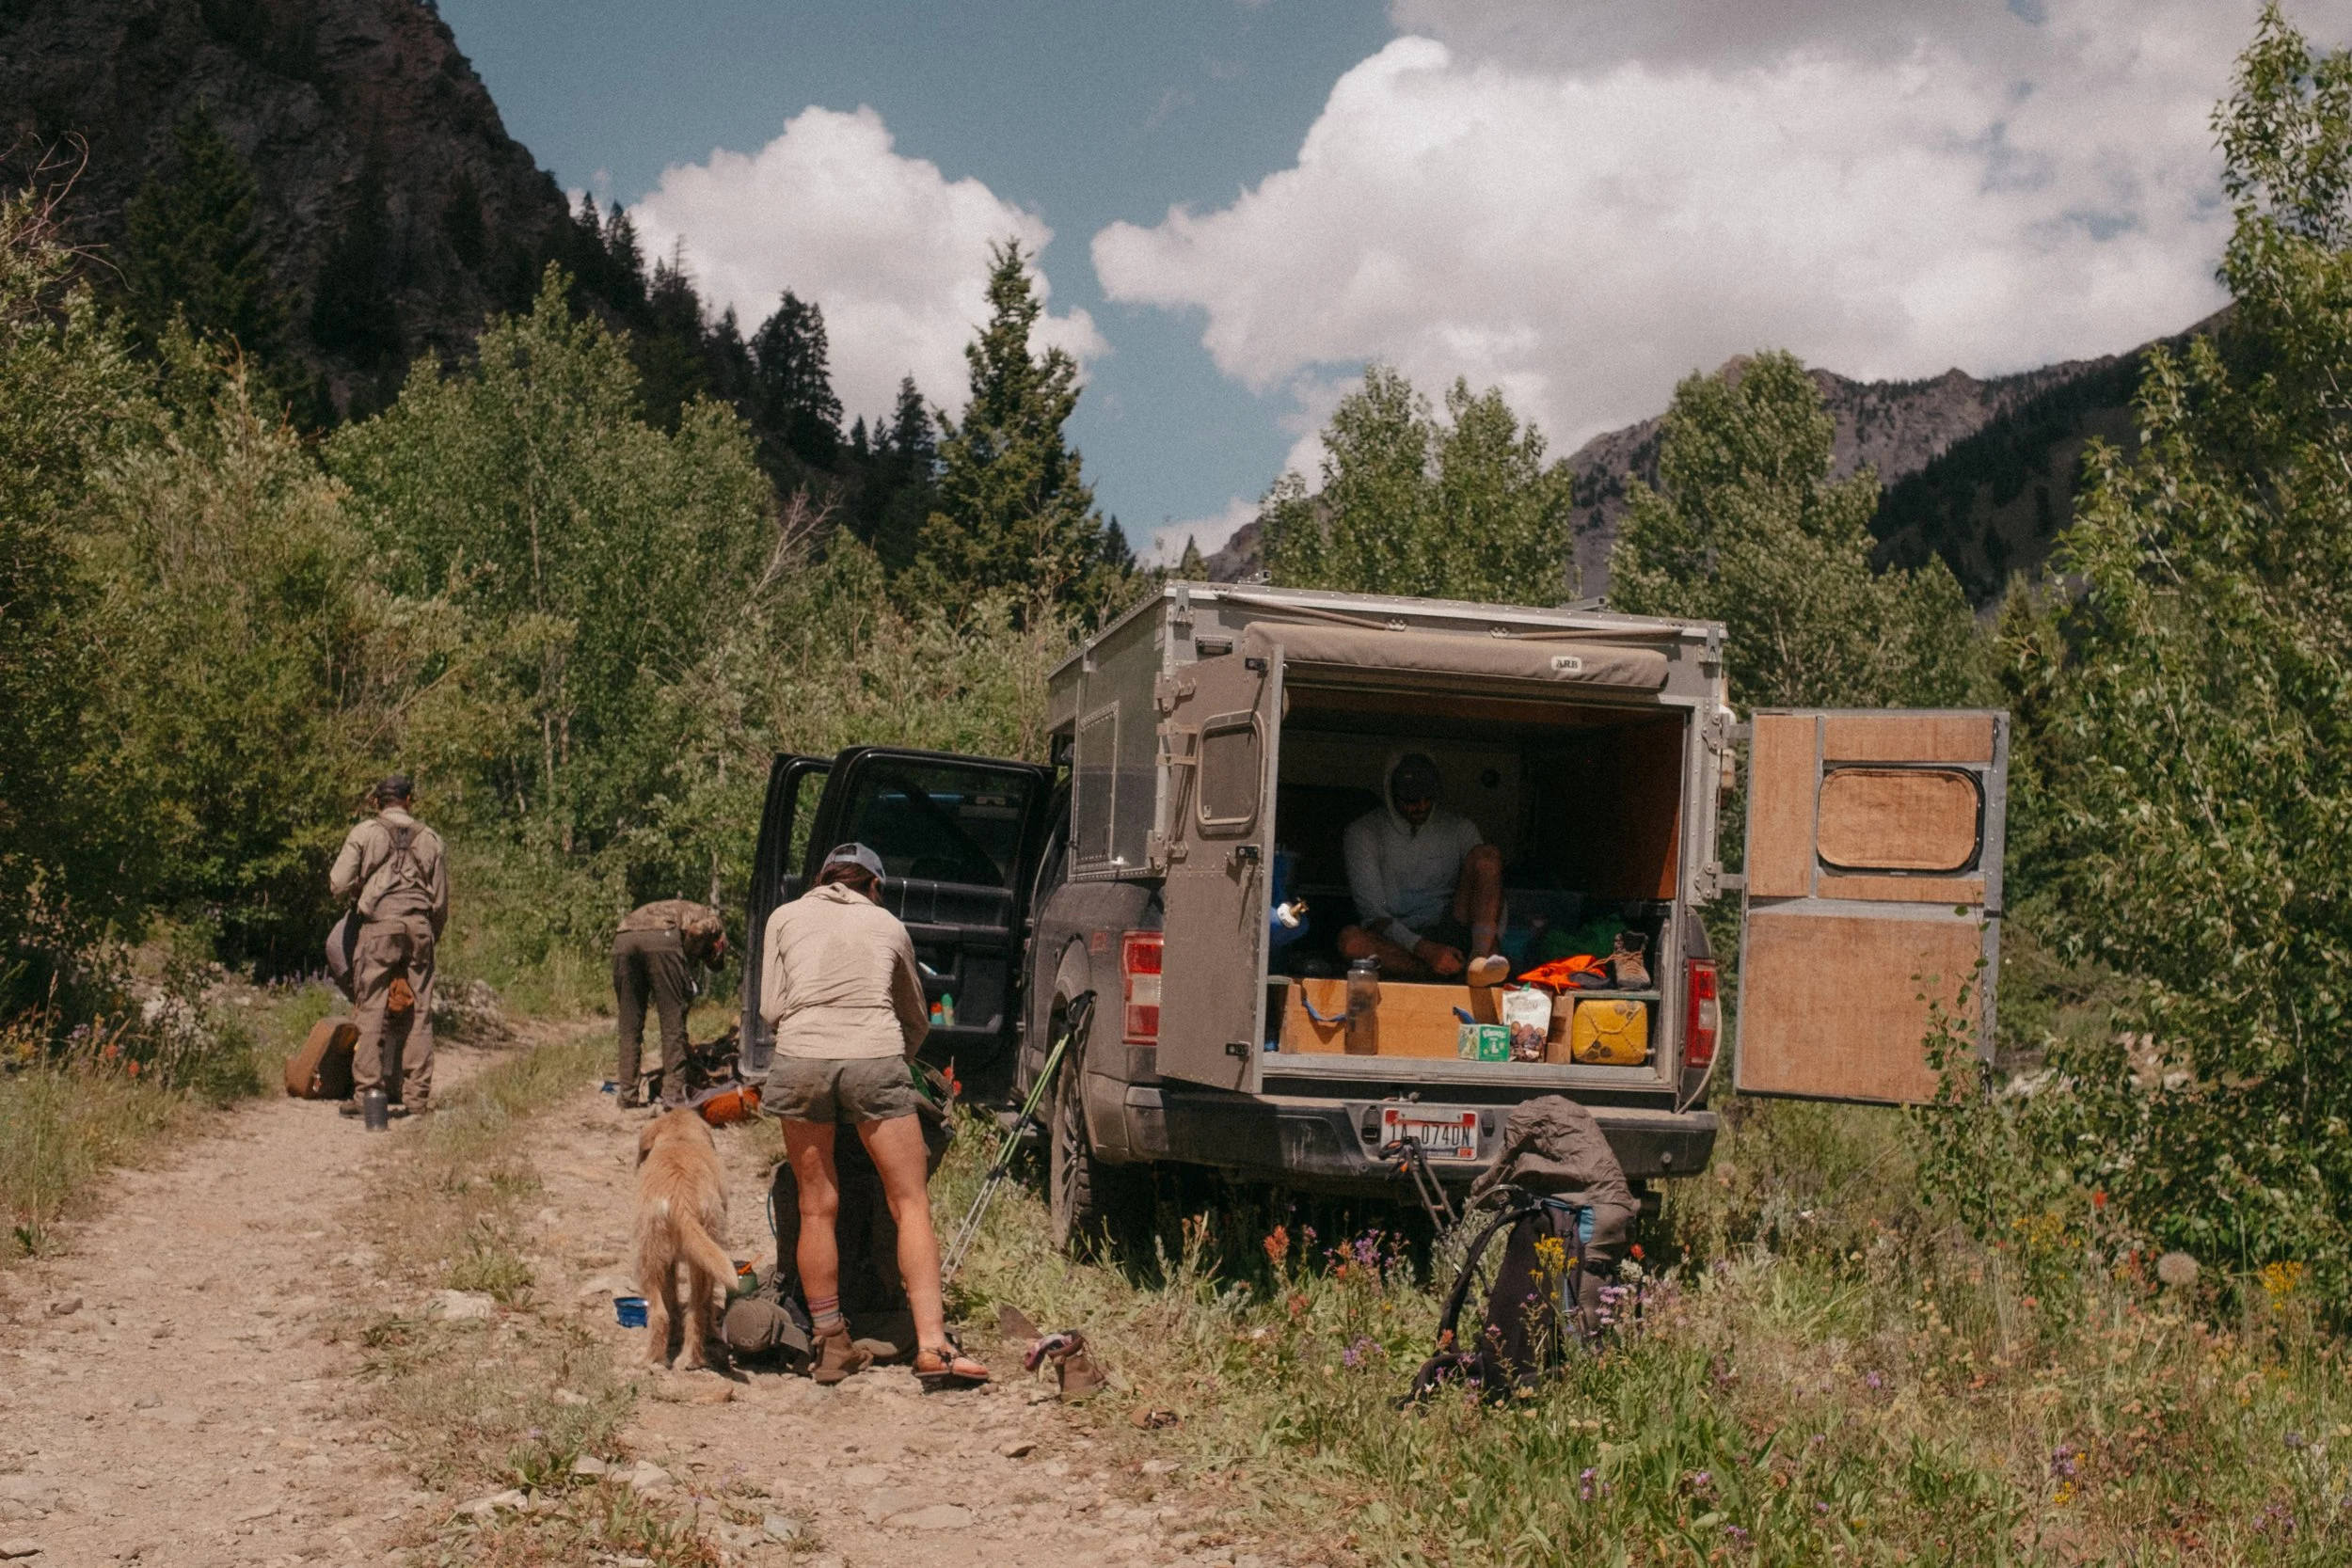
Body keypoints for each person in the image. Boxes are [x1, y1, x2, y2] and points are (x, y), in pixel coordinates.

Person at [759, 843, 987, 1389]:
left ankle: (831, 1342)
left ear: (822, 879)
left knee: (816, 1206)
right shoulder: (887, 925)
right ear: (874, 886)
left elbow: (771, 1010)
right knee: (909, 1202)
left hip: (799, 1058)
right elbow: (914, 1015)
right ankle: (933, 1346)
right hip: (874, 1056)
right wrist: (888, 1064)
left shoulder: (784, 916)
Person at [327, 775, 448, 1116]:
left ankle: (368, 1095)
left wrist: (359, 886)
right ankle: (417, 1099)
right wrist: (428, 936)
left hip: (378, 927)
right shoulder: (432, 839)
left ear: (377, 802)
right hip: (419, 926)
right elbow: (439, 903)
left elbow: (337, 883)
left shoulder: (365, 833)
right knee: (420, 1015)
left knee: (372, 1009)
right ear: (410, 800)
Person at [1338, 752, 1507, 984]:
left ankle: (1477, 964)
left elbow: (1490, 888)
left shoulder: (1459, 828)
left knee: (1487, 856)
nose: (1421, 806)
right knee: (1351, 941)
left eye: (1428, 798)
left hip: (1451, 929)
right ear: (1392, 794)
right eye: (1411, 800)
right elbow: (1375, 915)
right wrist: (1426, 951)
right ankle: (1443, 973)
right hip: (1397, 938)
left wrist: (1490, 942)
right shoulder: (1364, 832)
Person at [612, 899, 729, 1110]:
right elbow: (695, 931)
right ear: (717, 945)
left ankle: (627, 1096)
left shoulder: (678, 908)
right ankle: (673, 1095)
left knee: (629, 1026)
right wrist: (688, 963)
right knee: (671, 1024)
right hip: (661, 938)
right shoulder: (714, 924)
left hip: (623, 938)